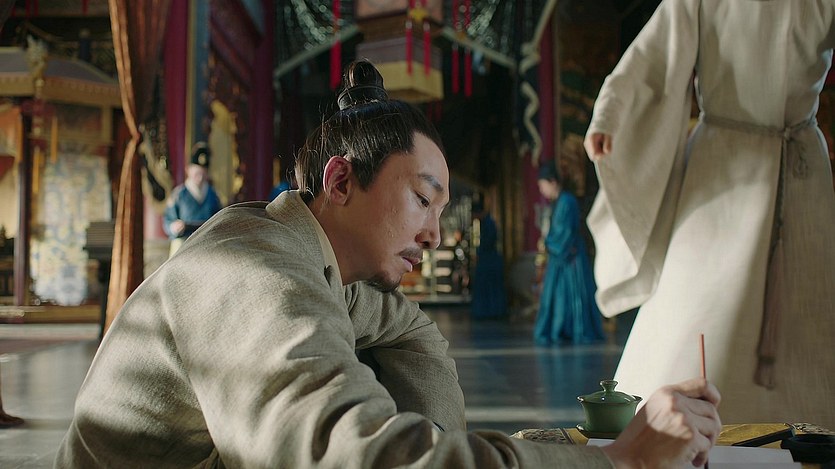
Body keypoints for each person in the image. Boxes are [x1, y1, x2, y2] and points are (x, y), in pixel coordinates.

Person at [55, 60, 721, 468]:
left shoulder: (316, 262)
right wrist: (622, 461)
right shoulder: (254, 273)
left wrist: (437, 441)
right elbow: (356, 459)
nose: (434, 232)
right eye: (422, 199)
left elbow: (408, 329)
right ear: (341, 180)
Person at [583, 0, 835, 427]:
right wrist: (611, 114)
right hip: (721, 169)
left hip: (797, 168)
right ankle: (672, 430)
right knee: (700, 306)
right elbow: (652, 57)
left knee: (809, 305)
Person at [533, 160, 606, 345]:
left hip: (570, 255)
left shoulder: (567, 201)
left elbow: (565, 232)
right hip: (560, 256)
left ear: (553, 182)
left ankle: (570, 330)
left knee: (571, 295)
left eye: (543, 185)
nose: (542, 190)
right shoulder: (557, 202)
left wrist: (548, 242)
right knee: (558, 296)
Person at [163, 142, 223, 256]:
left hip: (207, 243)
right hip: (184, 242)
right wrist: (174, 226)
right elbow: (168, 220)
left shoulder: (213, 195)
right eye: (197, 174)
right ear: (188, 170)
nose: (200, 178)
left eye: (203, 174)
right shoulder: (179, 194)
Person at [469, 198, 507, 319]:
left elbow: (488, 243)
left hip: (489, 260)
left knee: (488, 287)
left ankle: (489, 312)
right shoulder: (486, 222)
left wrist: (479, 253)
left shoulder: (489, 223)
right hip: (488, 259)